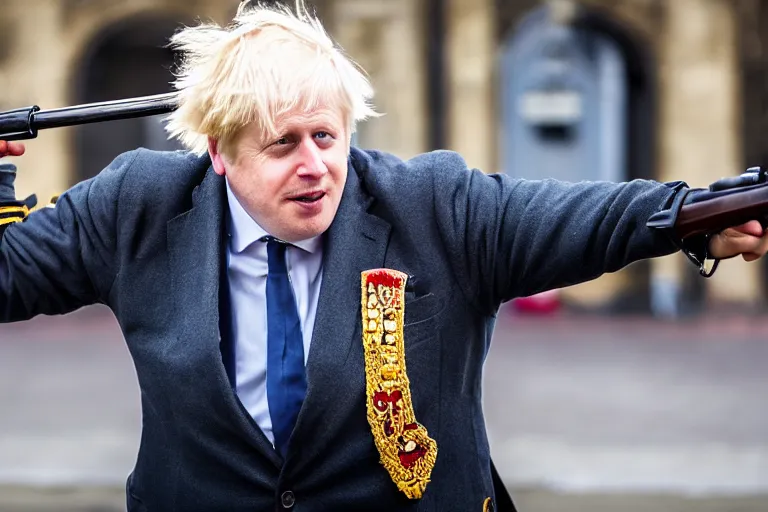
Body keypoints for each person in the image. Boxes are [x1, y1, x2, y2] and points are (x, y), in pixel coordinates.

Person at [1, 2, 768, 511]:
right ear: (219, 154)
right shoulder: (137, 206)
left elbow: (582, 217)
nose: (315, 166)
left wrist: (690, 217)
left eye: (327, 136)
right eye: (283, 145)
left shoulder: (434, 205)